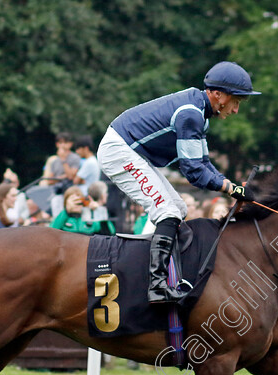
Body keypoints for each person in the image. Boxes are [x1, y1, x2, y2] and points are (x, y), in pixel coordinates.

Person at [97, 61, 260, 303]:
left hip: (131, 152)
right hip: (119, 151)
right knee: (167, 212)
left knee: (180, 210)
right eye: (236, 101)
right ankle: (155, 285)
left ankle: (157, 272)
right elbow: (194, 172)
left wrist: (231, 187)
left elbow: (204, 163)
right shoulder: (191, 114)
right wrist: (232, 188)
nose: (236, 110)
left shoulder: (199, 114)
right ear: (218, 95)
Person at [50, 186, 115, 235]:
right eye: (73, 201)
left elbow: (109, 232)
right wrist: (67, 211)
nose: (77, 203)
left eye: (79, 200)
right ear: (66, 203)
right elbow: (51, 233)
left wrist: (98, 210)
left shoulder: (89, 217)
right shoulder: (62, 218)